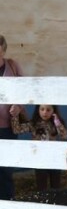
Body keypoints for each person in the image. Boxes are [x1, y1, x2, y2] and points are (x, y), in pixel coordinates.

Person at [10, 104, 67, 190]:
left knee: (56, 185)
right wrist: (14, 116)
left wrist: (58, 123)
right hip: (39, 159)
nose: (45, 112)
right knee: (41, 185)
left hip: (54, 158)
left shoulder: (55, 123)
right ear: (38, 110)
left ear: (53, 111)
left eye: (48, 110)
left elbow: (64, 136)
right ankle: (42, 201)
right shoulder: (33, 124)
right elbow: (17, 130)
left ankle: (56, 201)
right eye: (42, 109)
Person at [0, 35, 23, 200]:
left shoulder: (13, 66)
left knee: (6, 167)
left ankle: (8, 202)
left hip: (8, 126)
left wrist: (18, 106)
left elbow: (25, 90)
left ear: (4, 50)